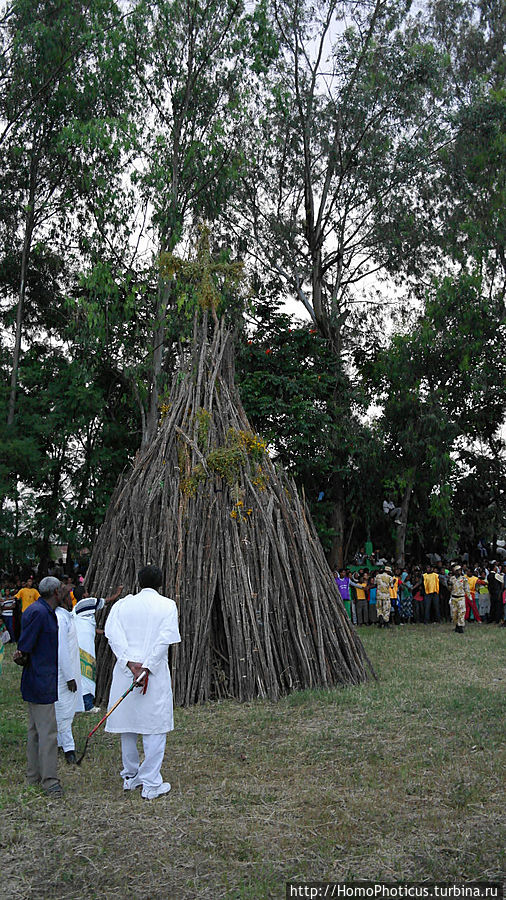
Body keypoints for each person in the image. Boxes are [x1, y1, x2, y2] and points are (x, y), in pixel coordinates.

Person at [104, 565, 181, 801]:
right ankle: (149, 782)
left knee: (128, 726)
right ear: (160, 583)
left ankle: (131, 775)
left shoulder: (122, 605)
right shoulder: (167, 605)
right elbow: (163, 641)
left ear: (139, 582)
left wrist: (130, 663)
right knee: (154, 727)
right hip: (153, 674)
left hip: (128, 671)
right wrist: (146, 666)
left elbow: (113, 636)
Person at [13, 576, 64, 797]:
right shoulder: (40, 614)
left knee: (35, 732)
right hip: (40, 680)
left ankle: (33, 776)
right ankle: (50, 781)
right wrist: (22, 656)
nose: (64, 592)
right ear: (54, 592)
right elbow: (24, 647)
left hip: (40, 679)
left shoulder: (42, 611)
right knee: (48, 733)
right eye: (61, 589)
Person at [55, 585, 82, 763]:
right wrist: (69, 676)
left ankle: (59, 742)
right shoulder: (59, 618)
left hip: (71, 668)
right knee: (63, 709)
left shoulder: (67, 615)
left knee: (66, 708)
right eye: (67, 596)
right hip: (63, 672)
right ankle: (69, 749)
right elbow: (61, 649)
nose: (70, 598)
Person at [448, 565, 470, 634]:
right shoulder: (451, 579)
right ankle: (456, 625)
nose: (459, 571)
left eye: (460, 570)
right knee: (454, 613)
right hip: (454, 597)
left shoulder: (464, 579)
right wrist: (449, 585)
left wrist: (469, 597)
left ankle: (460, 626)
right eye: (457, 570)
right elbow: (449, 589)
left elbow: (467, 588)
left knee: (462, 612)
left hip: (461, 597)